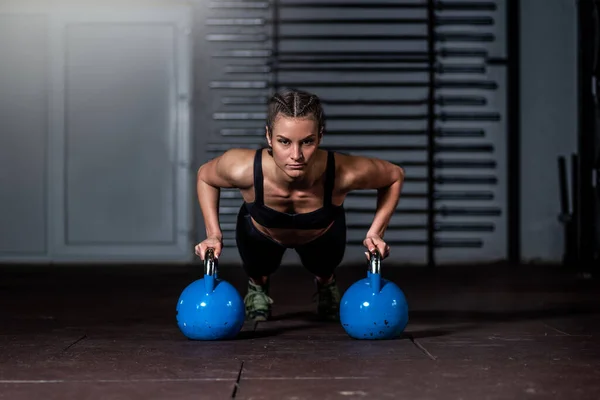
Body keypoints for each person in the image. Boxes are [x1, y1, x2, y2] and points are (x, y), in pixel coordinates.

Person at [194, 88, 405, 322]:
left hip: (321, 234)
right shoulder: (242, 167)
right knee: (258, 268)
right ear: (268, 137)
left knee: (325, 268)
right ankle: (257, 287)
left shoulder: (343, 171)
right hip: (263, 233)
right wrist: (213, 235)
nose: (296, 155)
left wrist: (376, 232)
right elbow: (205, 176)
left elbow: (394, 176)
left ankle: (326, 283)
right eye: (284, 142)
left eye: (307, 142)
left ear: (320, 137)